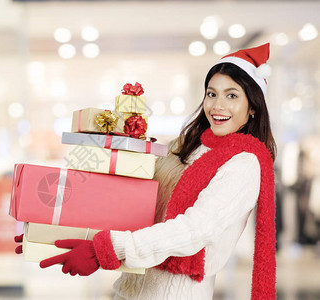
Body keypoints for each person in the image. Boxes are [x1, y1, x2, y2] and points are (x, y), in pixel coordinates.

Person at [15, 43, 277, 300]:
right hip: (127, 288)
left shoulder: (244, 164)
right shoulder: (183, 146)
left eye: (232, 95)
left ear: (252, 106)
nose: (218, 105)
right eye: (212, 93)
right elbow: (129, 200)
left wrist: (102, 250)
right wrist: (52, 232)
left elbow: (195, 230)